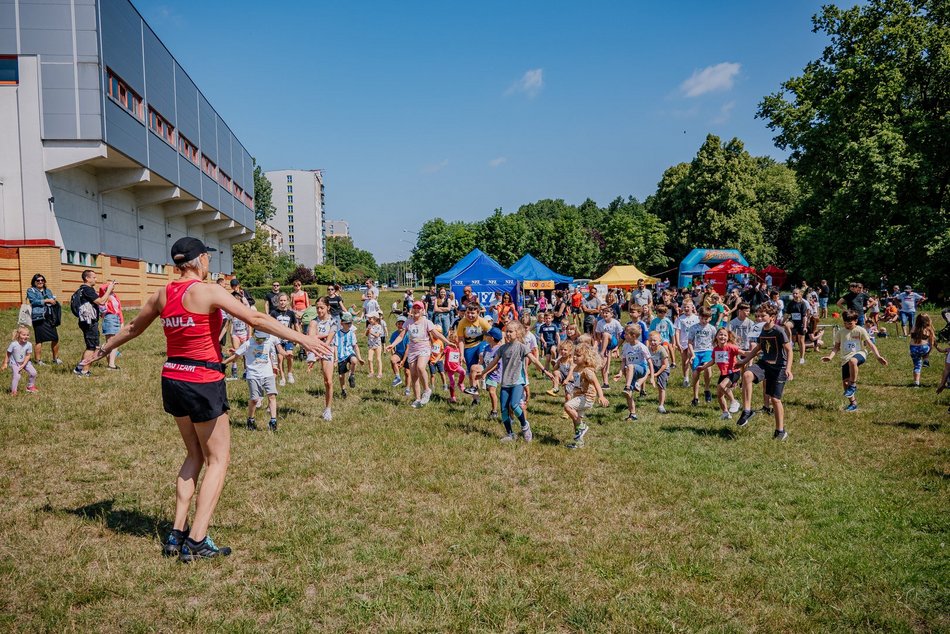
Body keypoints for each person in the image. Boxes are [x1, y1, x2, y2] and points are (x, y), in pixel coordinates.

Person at [85, 237, 330, 561]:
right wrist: (303, 338)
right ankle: (197, 539)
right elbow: (255, 319)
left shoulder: (163, 294)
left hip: (172, 378)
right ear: (200, 259)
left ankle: (176, 533)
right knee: (218, 459)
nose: (209, 263)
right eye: (208, 258)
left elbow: (132, 327)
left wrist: (102, 350)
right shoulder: (208, 291)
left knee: (194, 454)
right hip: (202, 379)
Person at [481, 321, 552, 442]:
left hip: (518, 381)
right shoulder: (502, 348)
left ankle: (525, 426)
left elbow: (534, 360)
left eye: (510, 331)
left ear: (517, 333)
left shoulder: (522, 347)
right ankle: (510, 434)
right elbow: (493, 362)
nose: (507, 334)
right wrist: (483, 373)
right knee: (504, 410)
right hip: (505, 382)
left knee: (514, 405)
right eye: (506, 331)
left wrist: (545, 371)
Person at [735, 303, 793, 439]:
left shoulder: (779, 331)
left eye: (762, 316)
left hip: (779, 367)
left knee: (775, 399)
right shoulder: (761, 330)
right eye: (757, 316)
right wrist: (744, 361)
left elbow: (789, 350)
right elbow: (758, 348)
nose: (758, 318)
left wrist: (789, 369)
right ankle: (747, 410)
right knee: (747, 374)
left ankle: (780, 431)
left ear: (772, 317)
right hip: (764, 364)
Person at [221, 329, 288, 432]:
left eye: (263, 338)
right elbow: (236, 356)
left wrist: (285, 356)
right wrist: (223, 363)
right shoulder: (248, 344)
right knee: (255, 400)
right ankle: (250, 419)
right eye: (259, 338)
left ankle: (273, 420)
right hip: (253, 375)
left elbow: (277, 352)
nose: (261, 341)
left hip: (267, 374)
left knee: (272, 396)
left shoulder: (268, 341)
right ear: (254, 335)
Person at [822, 309, 888, 411]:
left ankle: (853, 384)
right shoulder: (840, 332)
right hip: (845, 358)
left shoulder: (860, 330)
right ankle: (853, 403)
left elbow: (870, 344)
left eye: (849, 323)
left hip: (860, 353)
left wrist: (878, 356)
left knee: (853, 361)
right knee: (845, 384)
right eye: (845, 323)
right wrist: (830, 357)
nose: (847, 325)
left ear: (856, 321)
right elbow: (836, 347)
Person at [388, 301, 450, 408]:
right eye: (414, 308)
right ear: (412, 310)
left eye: (419, 308)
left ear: (422, 310)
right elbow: (401, 336)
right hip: (412, 350)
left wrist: (448, 342)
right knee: (414, 375)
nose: (416, 310)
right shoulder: (408, 322)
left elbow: (436, 334)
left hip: (424, 347)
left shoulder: (427, 322)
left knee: (420, 367)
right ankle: (417, 399)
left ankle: (426, 389)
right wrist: (392, 345)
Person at [563, 343, 608, 450]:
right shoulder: (576, 368)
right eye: (574, 354)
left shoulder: (587, 371)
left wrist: (601, 396)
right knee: (575, 420)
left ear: (586, 358)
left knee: (567, 406)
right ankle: (579, 442)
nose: (574, 357)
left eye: (578, 356)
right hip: (579, 396)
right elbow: (577, 381)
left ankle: (583, 426)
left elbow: (596, 383)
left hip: (587, 398)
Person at [72, 270, 115, 377]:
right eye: (94, 277)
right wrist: (109, 290)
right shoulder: (87, 289)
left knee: (92, 346)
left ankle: (79, 368)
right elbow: (101, 301)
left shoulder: (83, 290)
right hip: (89, 322)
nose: (95, 279)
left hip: (86, 321)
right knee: (91, 347)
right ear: (87, 278)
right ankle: (84, 371)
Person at [697, 328, 742, 419]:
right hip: (724, 374)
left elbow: (743, 352)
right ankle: (725, 413)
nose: (722, 337)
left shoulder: (731, 347)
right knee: (719, 394)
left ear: (728, 337)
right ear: (716, 336)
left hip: (734, 372)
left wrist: (754, 353)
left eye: (725, 335)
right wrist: (703, 367)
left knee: (721, 386)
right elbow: (713, 361)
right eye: (720, 334)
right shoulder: (716, 349)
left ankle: (734, 402)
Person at [307, 297, 337, 420]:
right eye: (317, 308)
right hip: (316, 349)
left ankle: (328, 409)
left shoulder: (333, 321)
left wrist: (320, 337)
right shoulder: (313, 322)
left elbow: (329, 340)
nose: (319, 310)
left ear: (328, 307)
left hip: (327, 350)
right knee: (326, 380)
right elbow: (311, 338)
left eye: (322, 308)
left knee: (328, 381)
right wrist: (314, 354)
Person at [456, 303, 492, 402]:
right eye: (468, 313)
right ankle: (476, 398)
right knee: (472, 371)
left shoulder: (483, 322)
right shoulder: (462, 323)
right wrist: (462, 354)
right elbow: (460, 339)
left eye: (473, 313)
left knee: (481, 355)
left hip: (481, 344)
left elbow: (493, 333)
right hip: (468, 347)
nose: (470, 315)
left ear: (478, 313)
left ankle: (485, 377)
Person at [615, 324, 650, 421]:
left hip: (641, 369)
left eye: (626, 334)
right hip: (630, 372)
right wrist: (620, 373)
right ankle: (632, 414)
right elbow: (623, 361)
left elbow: (649, 361)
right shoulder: (626, 346)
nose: (624, 336)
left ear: (633, 335)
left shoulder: (641, 347)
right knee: (628, 394)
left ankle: (627, 386)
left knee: (630, 366)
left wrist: (650, 376)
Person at [26, 273, 61, 365]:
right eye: (38, 280)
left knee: (55, 338)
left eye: (42, 280)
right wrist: (46, 300)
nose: (40, 282)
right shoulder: (31, 290)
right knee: (39, 339)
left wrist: (53, 301)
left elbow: (51, 300)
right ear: (34, 282)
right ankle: (38, 360)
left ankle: (55, 358)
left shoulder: (48, 291)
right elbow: (33, 301)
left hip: (49, 317)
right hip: (38, 317)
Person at [688, 307, 717, 406]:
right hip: (696, 352)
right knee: (696, 373)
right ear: (698, 317)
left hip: (707, 351)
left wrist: (714, 352)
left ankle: (707, 389)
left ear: (710, 318)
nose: (704, 321)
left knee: (707, 367)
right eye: (702, 318)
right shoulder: (693, 328)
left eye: (706, 318)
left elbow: (714, 342)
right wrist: (692, 354)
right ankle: (695, 397)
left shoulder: (712, 328)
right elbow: (690, 342)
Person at [269, 293, 298, 386]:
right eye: (281, 300)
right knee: (280, 359)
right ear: (278, 301)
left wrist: (298, 338)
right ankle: (282, 377)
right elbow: (270, 325)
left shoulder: (291, 313)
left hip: (288, 338)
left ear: (288, 301)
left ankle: (290, 373)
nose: (282, 302)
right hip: (278, 340)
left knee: (290, 356)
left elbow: (296, 325)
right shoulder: (274, 313)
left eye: (284, 300)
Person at [335, 312, 364, 398]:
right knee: (341, 375)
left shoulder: (352, 333)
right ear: (342, 323)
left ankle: (352, 375)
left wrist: (359, 358)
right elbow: (335, 347)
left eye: (350, 323)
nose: (349, 324)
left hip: (349, 352)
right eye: (347, 323)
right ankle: (343, 390)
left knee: (354, 361)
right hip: (341, 355)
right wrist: (336, 359)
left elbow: (355, 346)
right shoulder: (337, 334)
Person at [595, 305, 624, 389]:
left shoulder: (615, 322)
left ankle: (602, 352)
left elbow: (620, 335)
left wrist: (617, 348)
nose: (605, 314)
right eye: (603, 313)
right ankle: (605, 383)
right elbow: (598, 334)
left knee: (606, 334)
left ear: (612, 314)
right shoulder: (600, 323)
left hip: (613, 342)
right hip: (604, 344)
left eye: (607, 313)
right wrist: (601, 341)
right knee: (603, 362)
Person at [4, 324, 38, 394]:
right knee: (17, 376)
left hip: (25, 362)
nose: (26, 336)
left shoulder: (29, 344)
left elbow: (28, 355)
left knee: (33, 373)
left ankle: (30, 387)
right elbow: (8, 353)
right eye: (24, 335)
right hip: (15, 363)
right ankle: (13, 392)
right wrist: (5, 363)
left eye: (27, 335)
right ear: (18, 335)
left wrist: (23, 364)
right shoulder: (13, 344)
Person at [99, 282, 124, 370]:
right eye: (112, 286)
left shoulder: (115, 296)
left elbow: (119, 309)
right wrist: (110, 283)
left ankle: (110, 364)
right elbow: (101, 288)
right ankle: (111, 365)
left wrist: (122, 322)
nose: (113, 286)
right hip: (109, 318)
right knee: (112, 343)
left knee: (112, 343)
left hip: (116, 318)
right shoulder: (104, 295)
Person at [674, 301, 698, 386]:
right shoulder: (680, 318)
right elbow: (677, 331)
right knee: (684, 361)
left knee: (691, 360)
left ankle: (693, 377)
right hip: (683, 343)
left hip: (693, 343)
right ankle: (685, 378)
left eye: (688, 307)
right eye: (685, 307)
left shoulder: (696, 318)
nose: (686, 309)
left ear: (692, 307)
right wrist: (677, 343)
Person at [480, 328, 504, 416]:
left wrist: (485, 373)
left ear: (492, 338)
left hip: (495, 374)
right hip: (486, 372)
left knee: (491, 391)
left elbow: (496, 365)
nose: (486, 336)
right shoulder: (487, 347)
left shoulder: (499, 350)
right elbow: (483, 360)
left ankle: (494, 411)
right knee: (489, 389)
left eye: (488, 335)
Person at [646, 331, 670, 414]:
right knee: (645, 371)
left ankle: (661, 405)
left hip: (663, 369)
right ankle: (639, 384)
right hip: (654, 366)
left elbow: (664, 364)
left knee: (661, 386)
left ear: (660, 341)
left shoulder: (662, 350)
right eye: (651, 340)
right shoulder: (648, 349)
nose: (652, 342)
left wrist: (656, 374)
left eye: (655, 340)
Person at [908, 314, 935, 387]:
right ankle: (926, 359)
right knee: (928, 345)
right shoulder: (928, 329)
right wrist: (928, 353)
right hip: (924, 348)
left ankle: (916, 383)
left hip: (913, 349)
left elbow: (912, 338)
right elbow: (932, 342)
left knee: (917, 366)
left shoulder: (913, 328)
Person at [785, 288, 809, 365]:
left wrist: (805, 326)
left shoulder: (802, 304)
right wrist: (782, 321)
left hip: (801, 323)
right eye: (793, 294)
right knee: (786, 325)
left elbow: (804, 316)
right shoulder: (791, 303)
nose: (795, 295)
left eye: (796, 293)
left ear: (799, 294)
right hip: (793, 322)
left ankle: (802, 358)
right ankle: (790, 340)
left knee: (801, 341)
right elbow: (787, 314)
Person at [444, 332, 467, 403]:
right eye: (458, 338)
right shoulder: (448, 348)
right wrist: (436, 360)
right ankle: (452, 397)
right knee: (452, 382)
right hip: (450, 368)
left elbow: (461, 356)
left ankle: (460, 383)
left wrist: (465, 362)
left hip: (457, 366)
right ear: (454, 339)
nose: (460, 340)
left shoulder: (459, 348)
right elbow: (442, 353)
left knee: (463, 372)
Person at [365, 314, 387, 379]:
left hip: (377, 345)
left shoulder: (379, 326)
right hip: (370, 345)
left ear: (375, 319)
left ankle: (380, 373)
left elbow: (377, 335)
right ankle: (371, 372)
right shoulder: (369, 325)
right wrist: (367, 331)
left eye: (370, 319)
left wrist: (370, 332)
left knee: (378, 359)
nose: (369, 320)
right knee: (369, 359)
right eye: (368, 319)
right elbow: (366, 335)